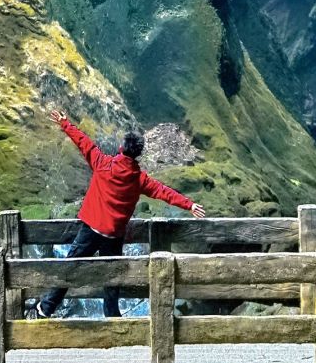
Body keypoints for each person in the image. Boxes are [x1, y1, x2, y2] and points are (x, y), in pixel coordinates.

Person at [29, 111, 206, 319]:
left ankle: (45, 308)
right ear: (137, 154)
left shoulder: (102, 163)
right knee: (111, 277)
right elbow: (164, 192)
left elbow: (84, 143)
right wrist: (189, 204)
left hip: (91, 229)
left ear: (121, 148)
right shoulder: (140, 179)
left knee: (70, 267)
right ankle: (113, 317)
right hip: (113, 236)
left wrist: (65, 123)